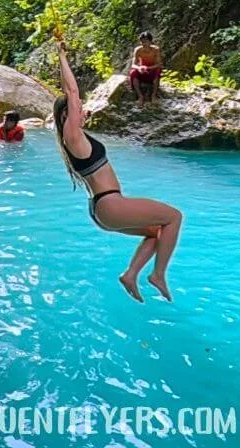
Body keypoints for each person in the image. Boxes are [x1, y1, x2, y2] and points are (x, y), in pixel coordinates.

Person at [54, 41, 182, 302]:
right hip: (110, 204)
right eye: (78, 107)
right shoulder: (72, 135)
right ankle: (158, 274)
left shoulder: (77, 139)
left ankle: (131, 274)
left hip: (102, 210)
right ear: (68, 114)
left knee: (157, 232)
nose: (83, 108)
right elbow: (72, 89)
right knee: (174, 217)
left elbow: (75, 96)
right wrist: (61, 55)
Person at [128, 31, 163, 107]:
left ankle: (153, 95)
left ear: (150, 41)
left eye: (146, 41)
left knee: (158, 71)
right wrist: (139, 67)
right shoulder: (138, 50)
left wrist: (148, 68)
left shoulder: (155, 49)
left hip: (152, 69)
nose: (144, 44)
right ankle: (140, 96)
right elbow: (133, 64)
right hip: (142, 70)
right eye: (142, 42)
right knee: (133, 72)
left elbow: (159, 64)